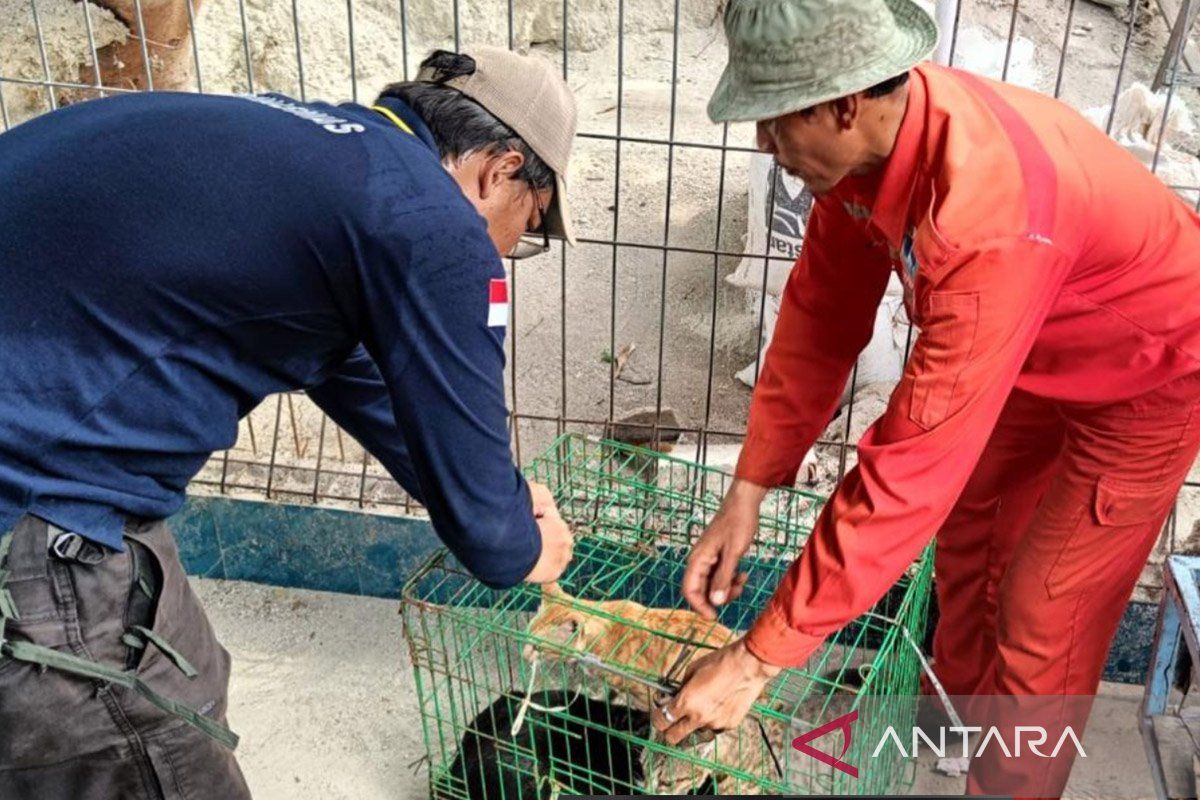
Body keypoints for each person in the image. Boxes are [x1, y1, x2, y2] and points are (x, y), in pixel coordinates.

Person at [0, 46, 575, 798]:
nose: (504, 250)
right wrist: (525, 543)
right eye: (524, 227)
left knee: (189, 668)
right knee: (161, 752)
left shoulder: (305, 149)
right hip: (34, 509)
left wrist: (493, 489)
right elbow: (495, 549)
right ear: (499, 170)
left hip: (38, 436)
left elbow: (350, 369)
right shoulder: (429, 221)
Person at [657, 0, 1200, 795]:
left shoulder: (985, 218)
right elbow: (819, 316)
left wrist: (757, 658)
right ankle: (962, 716)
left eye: (773, 121)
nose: (763, 146)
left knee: (1045, 610)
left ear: (842, 104)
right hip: (1036, 343)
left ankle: (1009, 783)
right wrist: (748, 490)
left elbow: (908, 471)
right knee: (974, 535)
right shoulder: (869, 151)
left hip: (1152, 373)